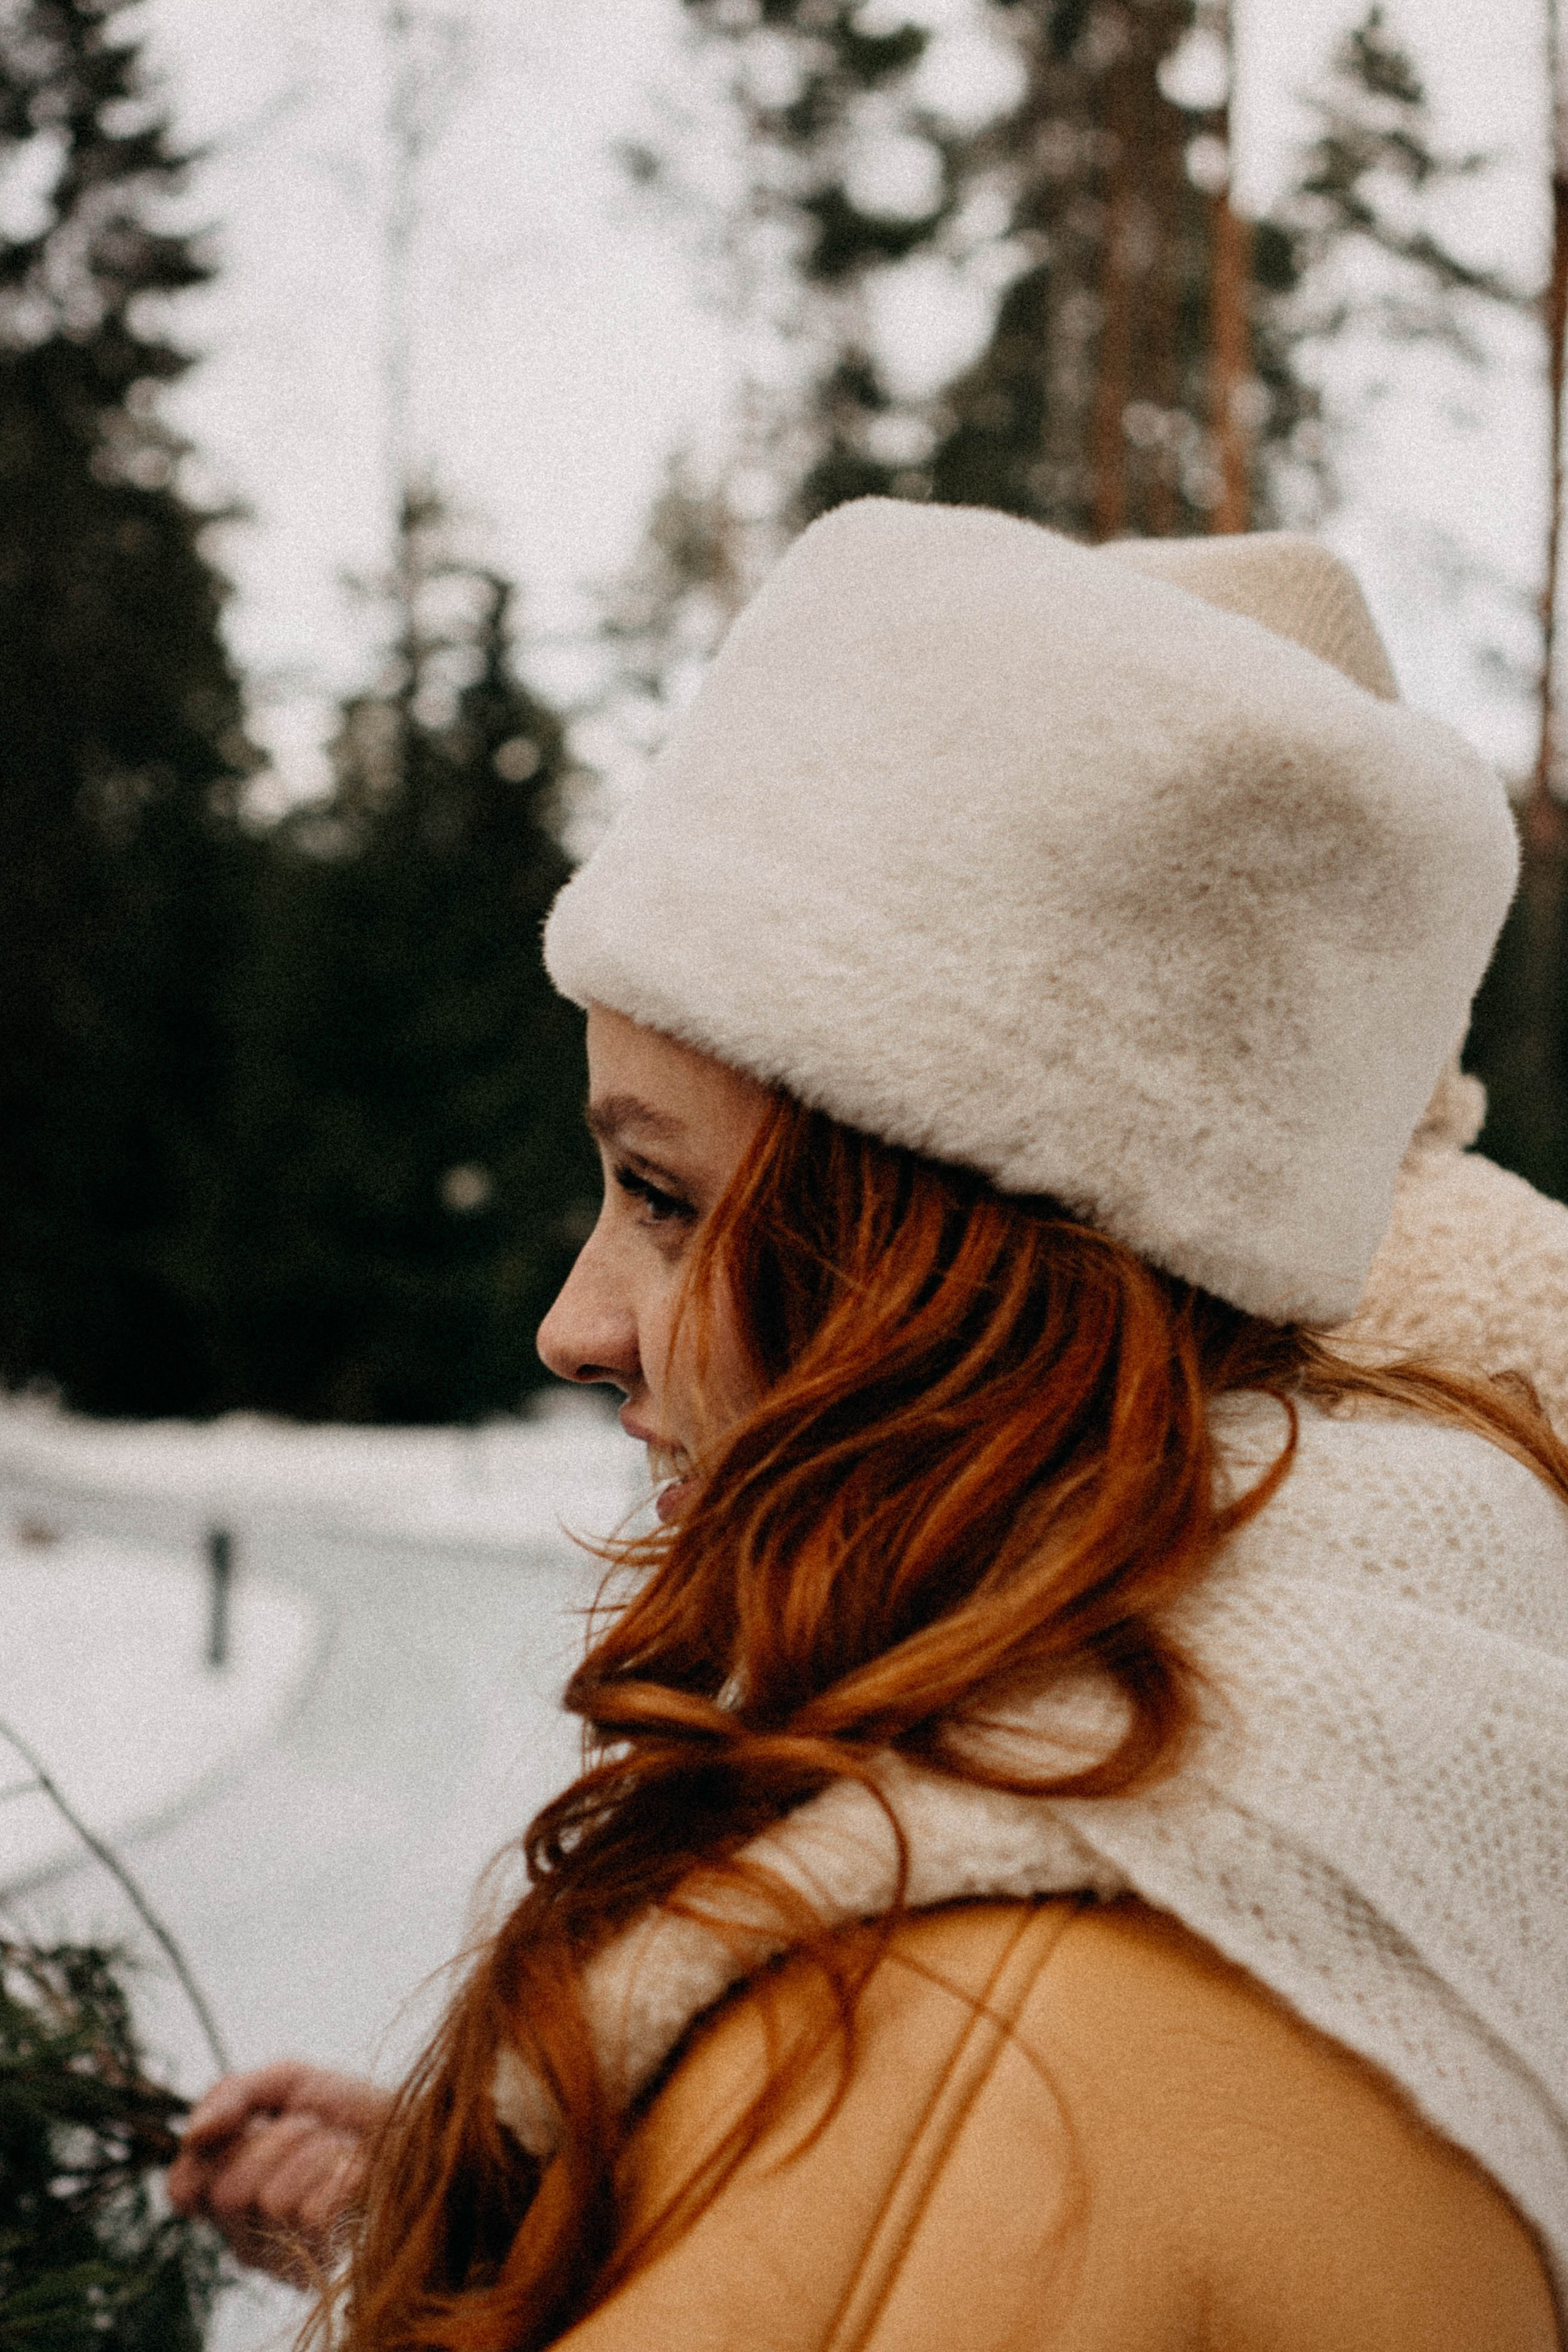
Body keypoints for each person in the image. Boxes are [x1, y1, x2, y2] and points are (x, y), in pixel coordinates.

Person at [169, 505, 1568, 2350]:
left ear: (962, 1256)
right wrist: (556, 2203)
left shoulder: (993, 2035)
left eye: (661, 1196)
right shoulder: (1400, 1716)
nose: (572, 1324)